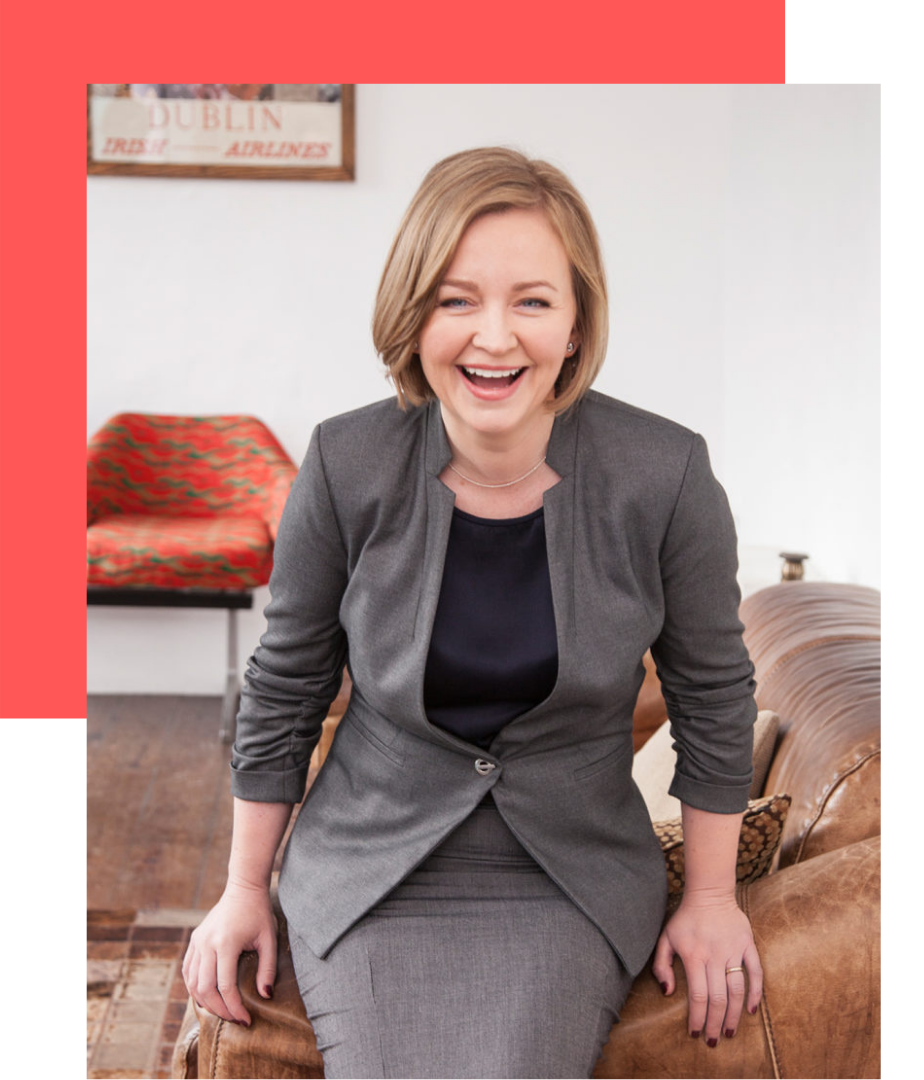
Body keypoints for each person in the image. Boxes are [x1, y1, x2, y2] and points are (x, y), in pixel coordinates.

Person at [183, 146, 763, 1079]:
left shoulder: (667, 475)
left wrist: (711, 898)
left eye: (532, 301)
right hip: (370, 871)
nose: (495, 338)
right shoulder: (343, 464)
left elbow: (714, 697)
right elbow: (285, 688)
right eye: (457, 300)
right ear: (413, 316)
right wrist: (245, 887)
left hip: (570, 878)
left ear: (576, 323)